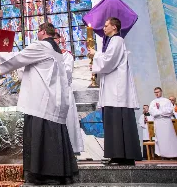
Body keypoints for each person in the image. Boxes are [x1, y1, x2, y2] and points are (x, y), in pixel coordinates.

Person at [0, 23, 77, 185]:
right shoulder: (56, 49)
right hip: (53, 101)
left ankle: (44, 175)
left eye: (38, 31)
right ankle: (61, 174)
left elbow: (20, 58)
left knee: (40, 136)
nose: (37, 34)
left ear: (43, 32)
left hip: (41, 102)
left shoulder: (41, 46)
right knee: (53, 136)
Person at [88, 17, 141, 165]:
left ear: (114, 27)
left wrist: (95, 54)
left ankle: (122, 156)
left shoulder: (117, 41)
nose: (104, 28)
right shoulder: (113, 42)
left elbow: (109, 61)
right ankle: (118, 155)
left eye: (106, 26)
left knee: (118, 122)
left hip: (117, 91)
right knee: (113, 122)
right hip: (112, 89)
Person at [54, 32, 84, 154]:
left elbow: (67, 72)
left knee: (67, 121)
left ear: (58, 40)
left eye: (54, 39)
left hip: (63, 91)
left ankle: (70, 150)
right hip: (51, 93)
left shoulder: (66, 55)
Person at [149, 87, 177, 158]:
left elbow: (170, 110)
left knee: (169, 137)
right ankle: (163, 155)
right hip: (158, 122)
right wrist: (160, 112)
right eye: (155, 92)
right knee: (161, 139)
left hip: (166, 121)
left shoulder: (167, 101)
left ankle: (172, 154)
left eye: (158, 92)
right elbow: (152, 111)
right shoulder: (153, 102)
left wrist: (159, 110)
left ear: (161, 92)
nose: (157, 93)